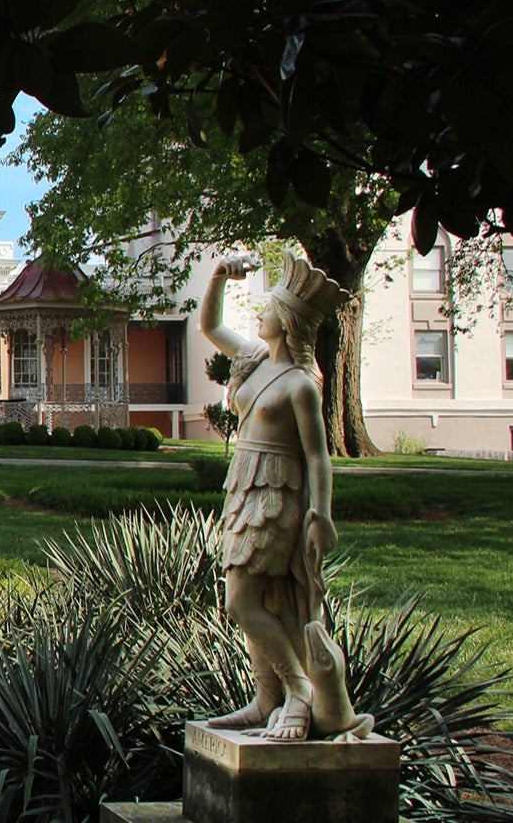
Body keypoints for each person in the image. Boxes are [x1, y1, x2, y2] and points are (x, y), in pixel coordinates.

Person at [199, 250, 370, 742]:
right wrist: (218, 277)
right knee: (263, 597)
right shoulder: (253, 362)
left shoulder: (301, 385)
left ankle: (299, 692)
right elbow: (210, 326)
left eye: (270, 307)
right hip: (244, 485)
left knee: (241, 600)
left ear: (289, 322)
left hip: (279, 494)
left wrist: (322, 513)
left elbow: (318, 455)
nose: (261, 313)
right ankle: (265, 699)